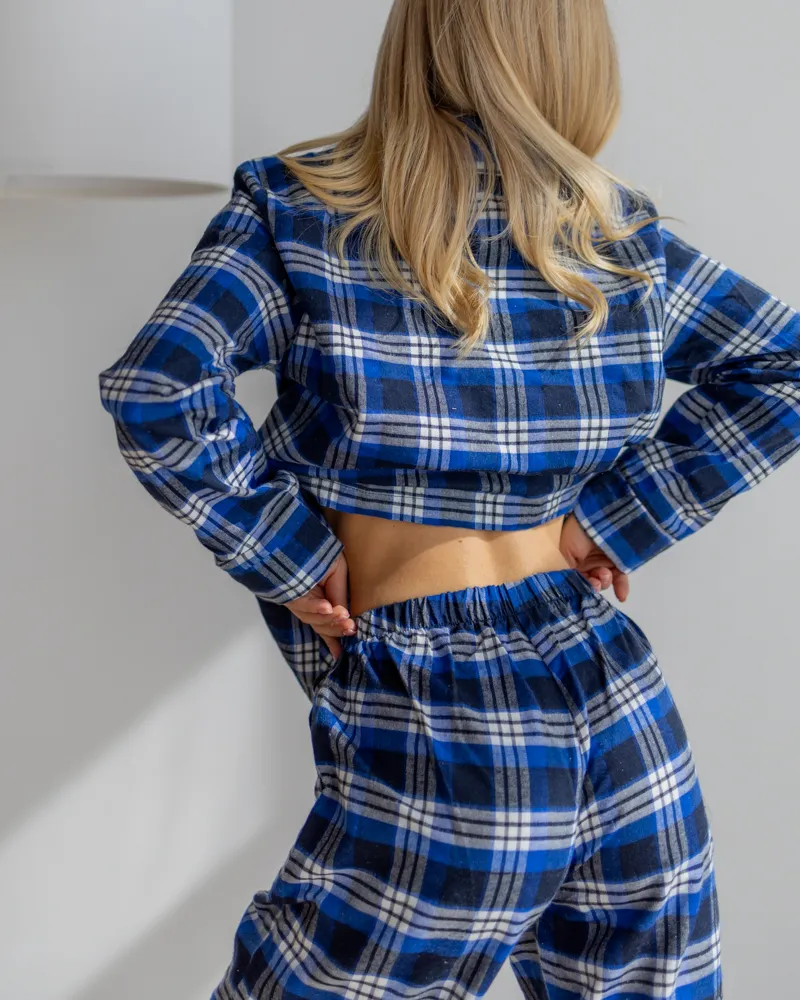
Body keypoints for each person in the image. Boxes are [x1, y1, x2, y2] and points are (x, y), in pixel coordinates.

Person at [97, 2, 799, 997]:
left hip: (441, 709)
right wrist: (616, 520)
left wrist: (288, 557)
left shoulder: (298, 213)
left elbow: (160, 388)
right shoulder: (610, 238)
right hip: (616, 691)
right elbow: (782, 366)